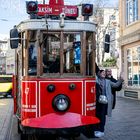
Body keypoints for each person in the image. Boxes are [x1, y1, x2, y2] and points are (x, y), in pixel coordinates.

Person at [95, 70, 123, 138]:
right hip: (97, 102)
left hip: (105, 102)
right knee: (97, 116)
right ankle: (97, 129)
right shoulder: (96, 81)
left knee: (102, 116)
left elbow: (116, 85)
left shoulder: (108, 81)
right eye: (102, 73)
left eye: (104, 73)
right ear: (99, 74)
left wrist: (120, 80)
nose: (104, 74)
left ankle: (101, 131)